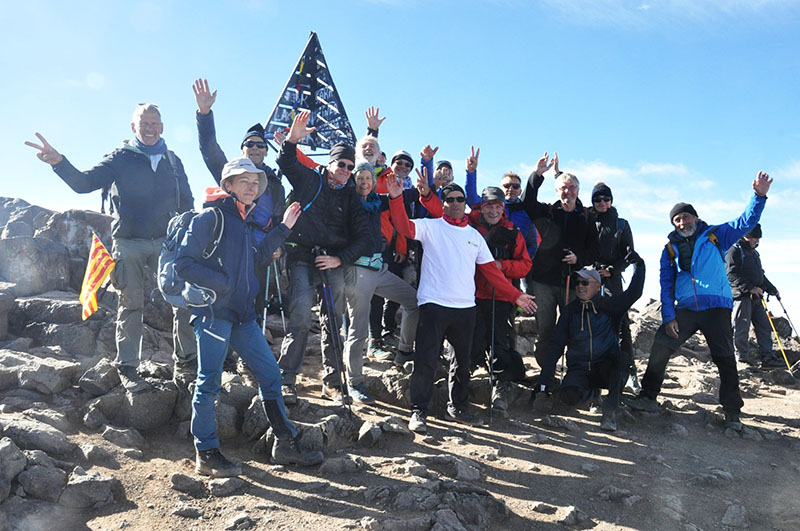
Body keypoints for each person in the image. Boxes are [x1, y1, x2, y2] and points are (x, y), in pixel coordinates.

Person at [25, 104, 195, 392]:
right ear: (133, 127)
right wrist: (59, 162)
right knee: (131, 304)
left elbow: (187, 202)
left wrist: (188, 235)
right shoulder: (120, 158)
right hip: (128, 241)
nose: (150, 128)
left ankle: (187, 365)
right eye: (144, 123)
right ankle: (128, 367)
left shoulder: (172, 161)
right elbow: (84, 183)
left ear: (162, 127)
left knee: (183, 301)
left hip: (167, 242)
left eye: (154, 123)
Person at [175, 157, 323, 477]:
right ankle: (206, 452)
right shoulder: (210, 217)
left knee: (271, 376)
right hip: (213, 314)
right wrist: (224, 284)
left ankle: (285, 443)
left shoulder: (244, 221)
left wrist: (284, 228)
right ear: (228, 185)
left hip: (243, 316)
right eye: (244, 181)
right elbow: (183, 264)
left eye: (255, 183)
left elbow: (256, 257)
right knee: (209, 383)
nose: (252, 187)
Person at [386, 171, 537, 433]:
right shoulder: (431, 226)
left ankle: (458, 406)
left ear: (465, 203)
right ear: (443, 203)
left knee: (462, 363)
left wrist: (516, 295)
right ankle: (419, 411)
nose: (455, 203)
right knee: (426, 359)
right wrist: (396, 197)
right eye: (450, 199)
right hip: (433, 304)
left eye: (460, 199)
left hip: (466, 308)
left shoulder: (475, 236)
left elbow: (492, 273)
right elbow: (403, 226)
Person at [625, 172, 773, 432]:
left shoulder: (716, 235)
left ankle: (732, 411)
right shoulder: (670, 249)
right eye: (677, 219)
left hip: (716, 307)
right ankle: (648, 397)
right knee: (661, 344)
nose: (682, 222)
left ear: (695, 217)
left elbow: (745, 222)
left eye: (685, 217)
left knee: (724, 357)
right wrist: (669, 316)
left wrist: (758, 196)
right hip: (686, 309)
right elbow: (666, 284)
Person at [275, 111, 370, 405]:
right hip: (301, 256)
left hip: (333, 261)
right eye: (341, 164)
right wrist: (292, 140)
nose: (345, 170)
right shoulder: (310, 180)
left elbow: (364, 238)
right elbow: (286, 163)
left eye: (350, 166)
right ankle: (286, 379)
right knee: (301, 316)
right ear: (330, 163)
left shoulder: (351, 197)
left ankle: (333, 383)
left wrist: (339, 260)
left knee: (333, 319)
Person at [192, 78, 286, 328]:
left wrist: (280, 247)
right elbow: (209, 149)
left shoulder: (275, 184)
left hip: (260, 251)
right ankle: (226, 348)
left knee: (254, 304)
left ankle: (251, 345)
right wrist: (204, 114)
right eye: (250, 144)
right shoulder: (229, 174)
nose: (255, 148)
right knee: (226, 303)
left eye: (260, 145)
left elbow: (279, 220)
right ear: (242, 149)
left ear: (266, 151)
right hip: (230, 249)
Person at [535, 259, 645, 432]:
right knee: (568, 397)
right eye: (578, 282)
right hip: (579, 369)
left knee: (622, 360)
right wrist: (543, 384)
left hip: (604, 368)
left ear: (597, 285)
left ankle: (610, 410)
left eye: (585, 282)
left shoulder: (610, 305)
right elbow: (556, 346)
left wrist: (639, 266)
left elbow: (634, 293)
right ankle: (593, 394)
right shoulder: (570, 311)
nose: (580, 286)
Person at [342, 162, 420, 402]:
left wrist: (404, 192)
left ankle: (404, 351)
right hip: (358, 270)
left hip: (379, 268)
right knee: (358, 328)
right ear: (353, 181)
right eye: (360, 178)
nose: (364, 182)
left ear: (374, 182)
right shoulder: (348, 201)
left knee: (414, 301)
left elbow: (405, 196)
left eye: (368, 178)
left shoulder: (377, 202)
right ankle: (355, 382)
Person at [521, 153, 598, 369]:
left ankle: (574, 374)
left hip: (572, 282)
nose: (568, 191)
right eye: (563, 188)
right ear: (556, 190)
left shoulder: (587, 217)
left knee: (573, 329)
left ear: (578, 191)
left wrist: (578, 258)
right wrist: (537, 175)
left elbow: (594, 250)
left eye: (572, 187)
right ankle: (546, 373)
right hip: (543, 282)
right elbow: (527, 202)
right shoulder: (547, 212)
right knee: (545, 330)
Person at [465, 186, 532, 414]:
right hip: (471, 294)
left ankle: (500, 388)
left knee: (499, 342)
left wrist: (502, 265)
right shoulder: (469, 226)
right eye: (489, 206)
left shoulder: (513, 232)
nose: (493, 211)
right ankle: (465, 381)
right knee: (472, 339)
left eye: (497, 206)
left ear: (503, 208)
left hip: (501, 296)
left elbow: (525, 265)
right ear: (481, 207)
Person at [588, 182, 638, 390]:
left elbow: (629, 255)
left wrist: (612, 270)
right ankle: (591, 371)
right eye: (597, 199)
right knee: (588, 323)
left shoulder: (621, 224)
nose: (602, 202)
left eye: (606, 199)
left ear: (611, 200)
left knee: (621, 324)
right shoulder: (586, 221)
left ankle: (630, 370)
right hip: (588, 277)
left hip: (612, 279)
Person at [725, 223, 782, 367]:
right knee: (741, 327)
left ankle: (768, 357)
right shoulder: (734, 250)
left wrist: (772, 289)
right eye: (755, 238)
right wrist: (750, 288)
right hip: (741, 296)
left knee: (764, 326)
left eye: (758, 238)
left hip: (757, 297)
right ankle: (741, 359)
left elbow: (760, 275)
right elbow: (731, 274)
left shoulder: (754, 253)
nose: (757, 241)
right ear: (747, 236)